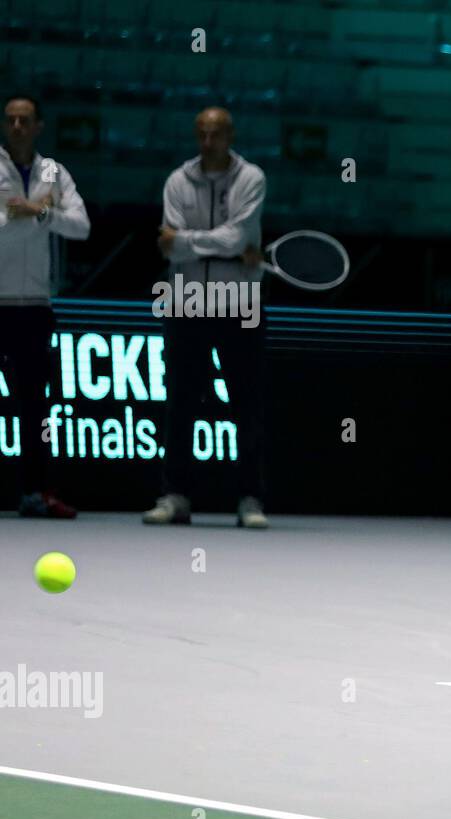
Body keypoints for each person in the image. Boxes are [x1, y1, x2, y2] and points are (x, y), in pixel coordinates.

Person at [144, 106, 269, 529]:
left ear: (230, 135)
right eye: (201, 134)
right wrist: (228, 247)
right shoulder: (177, 181)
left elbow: (226, 235)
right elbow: (171, 247)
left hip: (241, 302)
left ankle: (250, 498)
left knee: (245, 404)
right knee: (181, 402)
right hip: (187, 300)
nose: (207, 142)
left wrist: (187, 241)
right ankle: (174, 496)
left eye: (215, 134)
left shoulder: (252, 178)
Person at [0, 94, 91, 518]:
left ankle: (35, 492)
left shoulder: (53, 171)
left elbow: (82, 226)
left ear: (39, 126)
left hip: (35, 305)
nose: (17, 126)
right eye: (11, 120)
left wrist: (38, 215)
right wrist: (28, 217)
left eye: (25, 120)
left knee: (36, 406)